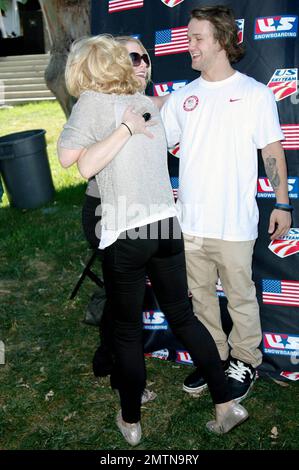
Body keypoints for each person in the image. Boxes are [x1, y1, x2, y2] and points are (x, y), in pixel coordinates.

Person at [57, 34, 248, 445]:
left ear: (83, 71)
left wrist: (119, 131)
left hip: (127, 230)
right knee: (184, 317)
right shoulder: (145, 103)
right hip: (166, 228)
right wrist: (126, 127)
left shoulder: (91, 102)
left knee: (126, 332)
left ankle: (130, 421)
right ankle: (226, 403)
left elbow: (70, 159)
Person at [160, 5, 292, 403]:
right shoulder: (182, 98)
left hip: (234, 222)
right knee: (200, 297)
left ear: (221, 41)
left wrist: (282, 204)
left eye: (197, 38)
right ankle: (213, 355)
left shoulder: (254, 94)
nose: (190, 45)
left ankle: (246, 360)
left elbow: (272, 149)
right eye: (188, 37)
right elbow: (154, 146)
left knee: (240, 296)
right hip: (191, 222)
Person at [59, 36, 165, 405]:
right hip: (106, 213)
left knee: (123, 301)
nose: (141, 63)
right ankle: (123, 378)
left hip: (144, 220)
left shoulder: (143, 102)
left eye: (145, 57)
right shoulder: (98, 104)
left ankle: (109, 359)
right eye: (131, 57)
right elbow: (73, 159)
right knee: (125, 306)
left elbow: (163, 105)